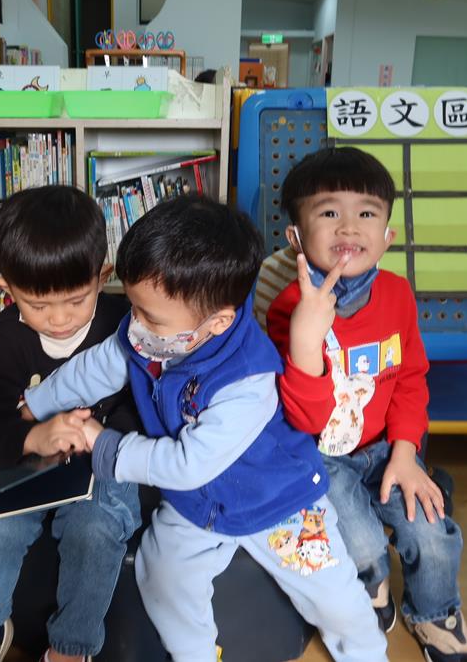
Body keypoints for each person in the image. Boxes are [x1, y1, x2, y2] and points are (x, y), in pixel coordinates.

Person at [24, 196, 387, 662]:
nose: (134, 325)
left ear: (217, 323)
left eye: (150, 317)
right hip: (197, 504)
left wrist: (105, 446)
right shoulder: (150, 335)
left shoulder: (248, 382)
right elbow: (96, 367)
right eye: (133, 307)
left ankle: (367, 654)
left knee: (336, 599)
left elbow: (187, 463)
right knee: (162, 576)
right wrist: (37, 404)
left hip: (278, 504)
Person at [266, 146, 467, 662]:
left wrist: (406, 452)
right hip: (319, 453)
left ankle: (434, 612)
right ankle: (370, 588)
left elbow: (410, 379)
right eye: (328, 212)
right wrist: (305, 339)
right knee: (360, 544)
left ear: (387, 235)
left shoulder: (397, 294)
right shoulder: (287, 308)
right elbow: (301, 417)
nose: (348, 227)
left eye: (366, 213)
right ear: (295, 238)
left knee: (431, 533)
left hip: (387, 446)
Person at [0, 185, 141, 662]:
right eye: (37, 305)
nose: (58, 320)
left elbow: (146, 401)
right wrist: (33, 436)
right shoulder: (6, 339)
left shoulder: (126, 324)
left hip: (105, 463)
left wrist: (104, 435)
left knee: (96, 530)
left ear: (103, 276)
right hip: (27, 463)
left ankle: (69, 650)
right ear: (7, 290)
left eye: (75, 301)